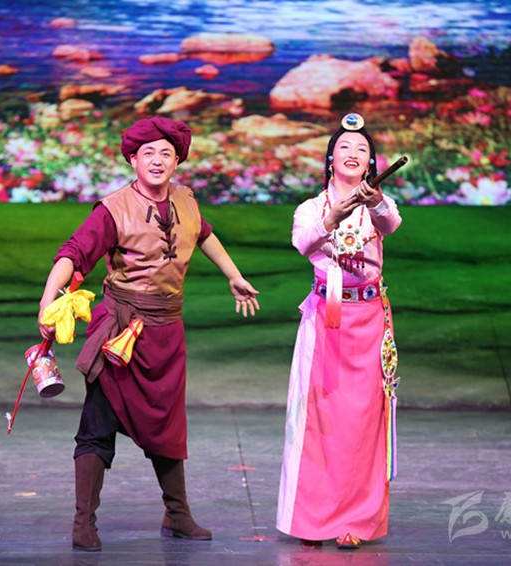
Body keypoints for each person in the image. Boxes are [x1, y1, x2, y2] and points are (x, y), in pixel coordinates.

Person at [38, 116, 260, 552]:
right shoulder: (113, 208)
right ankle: (84, 522)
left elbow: (204, 235)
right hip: (120, 334)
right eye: (148, 153)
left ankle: (178, 515)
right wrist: (48, 300)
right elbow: (73, 254)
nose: (157, 160)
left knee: (167, 425)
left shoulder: (186, 200)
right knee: (98, 424)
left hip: (166, 332)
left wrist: (233, 275)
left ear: (177, 161)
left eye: (166, 153)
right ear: (133, 160)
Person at [276, 113, 402, 550]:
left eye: (362, 149)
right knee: (319, 418)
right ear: (330, 159)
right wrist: (333, 216)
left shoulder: (377, 204)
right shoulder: (311, 208)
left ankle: (355, 520)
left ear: (371, 164)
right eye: (344, 147)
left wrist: (375, 202)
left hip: (369, 323)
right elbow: (303, 243)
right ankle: (312, 519)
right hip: (325, 321)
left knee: (362, 421)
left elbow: (391, 224)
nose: (352, 153)